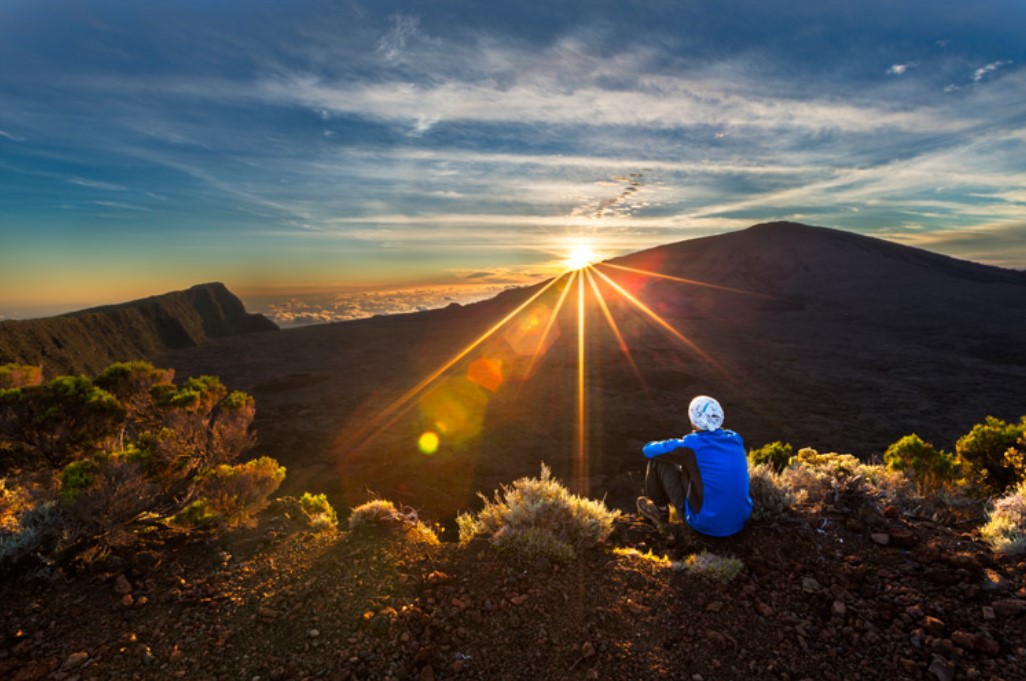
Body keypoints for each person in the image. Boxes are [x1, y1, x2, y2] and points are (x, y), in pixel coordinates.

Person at [636, 395, 752, 537]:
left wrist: (675, 444)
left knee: (657, 461)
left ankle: (660, 511)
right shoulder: (735, 439)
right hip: (740, 520)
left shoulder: (692, 445)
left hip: (705, 524)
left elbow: (648, 450)